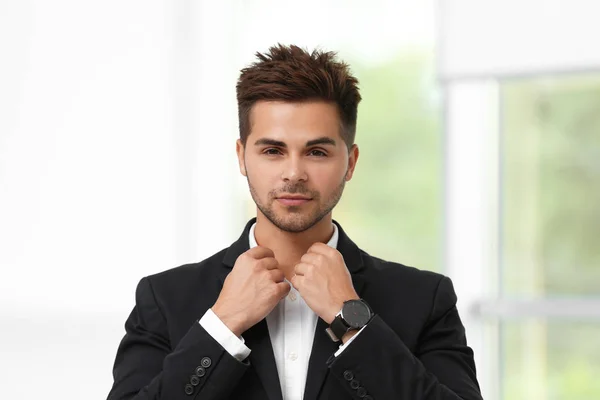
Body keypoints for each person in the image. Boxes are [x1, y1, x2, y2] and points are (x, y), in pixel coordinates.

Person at [107, 44, 482, 400]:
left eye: (317, 152)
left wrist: (352, 321)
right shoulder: (165, 299)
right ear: (242, 157)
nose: (294, 173)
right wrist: (222, 325)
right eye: (272, 150)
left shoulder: (425, 300)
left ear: (350, 162)